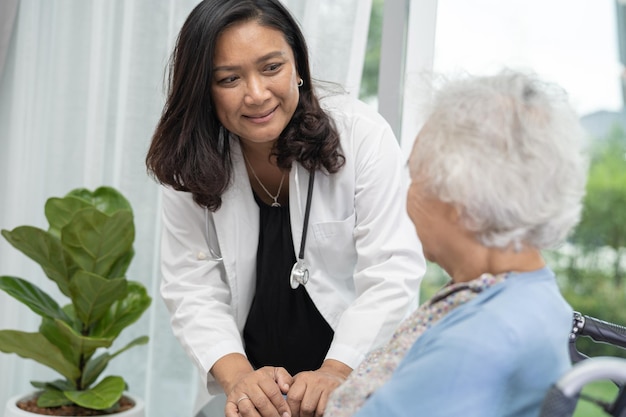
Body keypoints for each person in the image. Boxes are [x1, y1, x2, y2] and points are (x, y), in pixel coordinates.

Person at [145, 1, 426, 416]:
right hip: (256, 392)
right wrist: (239, 380)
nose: (256, 94)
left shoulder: (361, 136)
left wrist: (336, 372)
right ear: (203, 88)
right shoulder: (190, 160)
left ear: (298, 65)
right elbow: (191, 286)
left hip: (354, 376)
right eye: (229, 78)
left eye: (271, 68)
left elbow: (391, 271)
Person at [324, 69, 589, 417]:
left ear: (460, 200)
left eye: (415, 176)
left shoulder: (480, 340)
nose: (408, 194)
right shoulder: (526, 292)